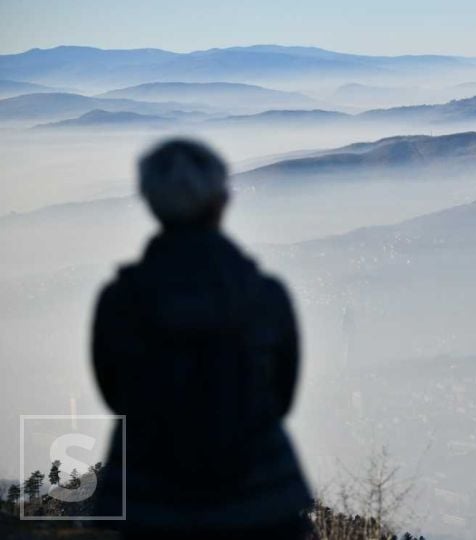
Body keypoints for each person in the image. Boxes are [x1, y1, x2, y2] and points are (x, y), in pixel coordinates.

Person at [91, 139, 312, 538]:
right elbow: (281, 396)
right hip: (262, 498)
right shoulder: (265, 297)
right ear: (220, 200)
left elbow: (114, 394)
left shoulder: (120, 303)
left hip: (149, 502)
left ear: (151, 203)